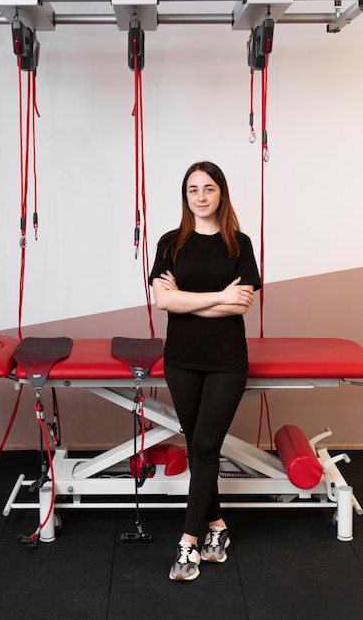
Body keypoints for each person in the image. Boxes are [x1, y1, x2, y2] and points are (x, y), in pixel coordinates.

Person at [149, 161, 261, 581]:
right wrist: (218, 297)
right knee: (199, 447)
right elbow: (164, 303)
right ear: (186, 196)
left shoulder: (239, 244)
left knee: (207, 446)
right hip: (181, 359)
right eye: (193, 189)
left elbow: (241, 303)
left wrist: (187, 297)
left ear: (221, 194)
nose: (200, 196)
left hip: (226, 361)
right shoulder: (170, 243)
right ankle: (217, 528)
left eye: (208, 188)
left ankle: (188, 543)